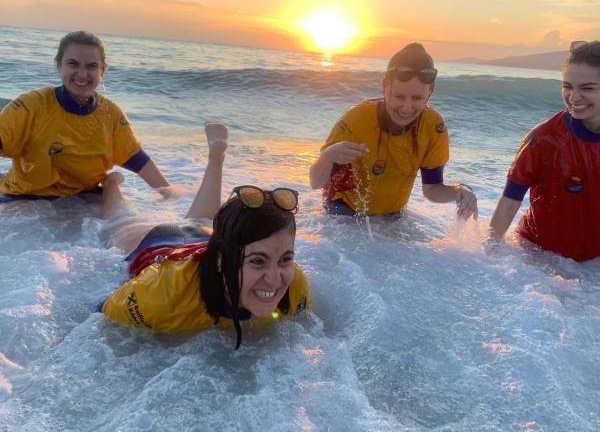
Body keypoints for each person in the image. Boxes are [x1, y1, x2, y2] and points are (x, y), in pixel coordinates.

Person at [100, 123, 312, 349]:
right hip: (158, 243)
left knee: (203, 221)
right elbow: (105, 318)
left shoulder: (292, 285)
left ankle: (216, 157)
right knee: (118, 220)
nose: (274, 279)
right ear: (221, 260)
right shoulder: (164, 294)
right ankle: (110, 183)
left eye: (285, 259)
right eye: (258, 261)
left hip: (208, 238)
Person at [309, 42, 477, 219]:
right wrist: (328, 157)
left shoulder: (433, 126)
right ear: (384, 86)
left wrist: (459, 191)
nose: (406, 108)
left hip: (392, 215)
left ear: (430, 91)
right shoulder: (356, 119)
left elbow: (432, 189)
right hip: (343, 211)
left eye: (417, 98)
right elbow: (315, 182)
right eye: (399, 96)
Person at [0, 30, 173, 201]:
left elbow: (135, 158)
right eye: (73, 64)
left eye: (91, 66)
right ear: (58, 64)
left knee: (122, 214)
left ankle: (111, 183)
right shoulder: (32, 105)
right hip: (26, 198)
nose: (82, 74)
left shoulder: (111, 114)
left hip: (83, 200)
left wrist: (171, 196)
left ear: (103, 70)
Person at [489, 41, 600, 262]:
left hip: (592, 265)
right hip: (538, 258)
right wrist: (488, 253)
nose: (573, 97)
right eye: (567, 86)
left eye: (586, 88)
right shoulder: (543, 139)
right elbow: (509, 201)